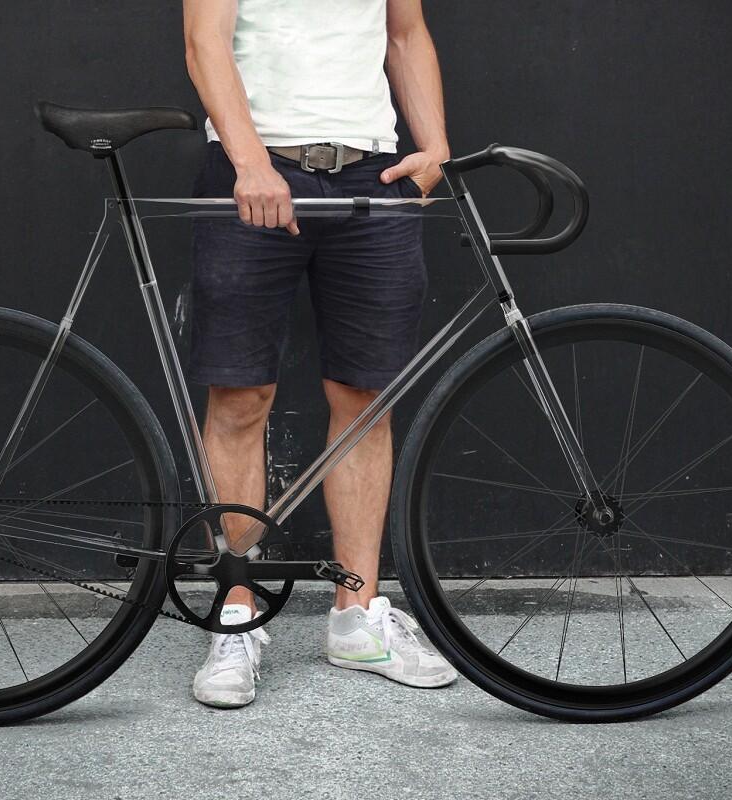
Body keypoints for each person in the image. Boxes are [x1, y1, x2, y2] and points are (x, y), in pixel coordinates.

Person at [182, 0, 457, 708]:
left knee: (366, 399)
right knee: (240, 396)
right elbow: (204, 41)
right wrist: (249, 161)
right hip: (252, 167)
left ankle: (356, 615)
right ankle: (237, 610)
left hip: (372, 175)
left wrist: (434, 149)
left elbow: (405, 32)